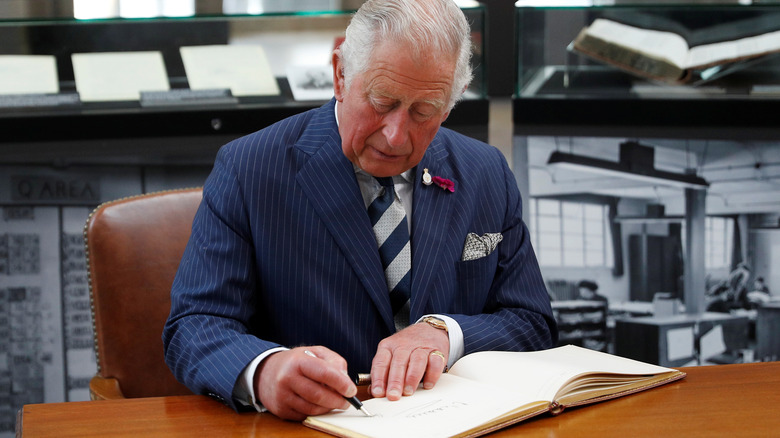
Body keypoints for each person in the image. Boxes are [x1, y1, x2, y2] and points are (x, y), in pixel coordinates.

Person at [163, 0, 557, 422]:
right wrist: (265, 371)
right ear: (340, 75)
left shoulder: (486, 172)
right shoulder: (249, 168)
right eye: (382, 101)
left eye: (424, 112)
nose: (395, 135)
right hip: (314, 426)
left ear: (451, 103)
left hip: (458, 422)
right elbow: (195, 325)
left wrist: (448, 334)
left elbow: (533, 323)